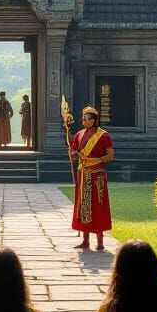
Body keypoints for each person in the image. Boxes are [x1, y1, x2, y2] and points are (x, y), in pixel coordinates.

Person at [70, 105, 113, 251]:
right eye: (83, 118)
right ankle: (85, 241)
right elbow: (75, 152)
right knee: (83, 206)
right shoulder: (79, 135)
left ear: (94, 120)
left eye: (88, 118)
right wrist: (72, 154)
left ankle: (100, 242)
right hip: (83, 174)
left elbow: (110, 157)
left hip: (96, 175)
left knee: (98, 206)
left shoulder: (104, 136)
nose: (84, 120)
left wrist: (94, 161)